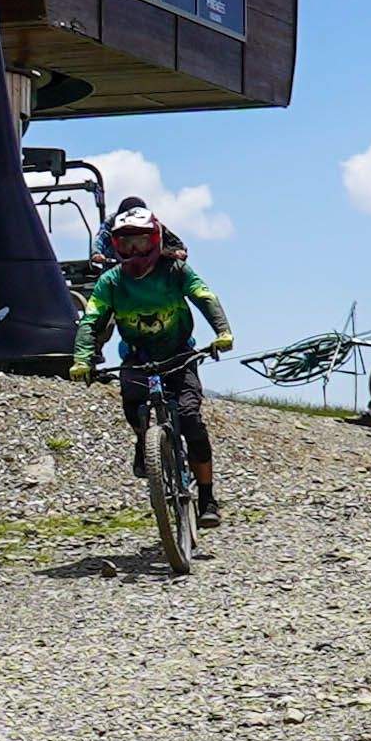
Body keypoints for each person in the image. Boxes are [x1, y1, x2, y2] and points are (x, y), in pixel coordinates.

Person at [70, 206, 235, 525]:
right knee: (133, 406)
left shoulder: (176, 270)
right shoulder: (111, 281)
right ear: (115, 246)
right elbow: (91, 319)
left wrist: (222, 332)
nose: (134, 251)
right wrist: (82, 358)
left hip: (179, 355)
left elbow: (204, 296)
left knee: (190, 420)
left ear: (156, 241)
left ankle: (207, 498)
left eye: (141, 243)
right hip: (138, 358)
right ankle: (145, 443)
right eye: (125, 244)